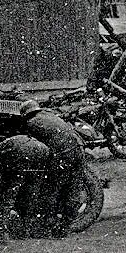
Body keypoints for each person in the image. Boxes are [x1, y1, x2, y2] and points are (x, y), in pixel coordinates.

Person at [19, 99, 86, 237]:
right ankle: (65, 226)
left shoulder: (32, 123)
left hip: (63, 155)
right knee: (74, 189)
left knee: (52, 189)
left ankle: (49, 226)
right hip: (78, 149)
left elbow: (36, 147)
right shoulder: (49, 115)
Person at [0, 134, 52, 244]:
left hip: (23, 153)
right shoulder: (13, 141)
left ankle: (2, 235)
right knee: (31, 194)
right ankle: (26, 231)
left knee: (7, 198)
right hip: (42, 151)